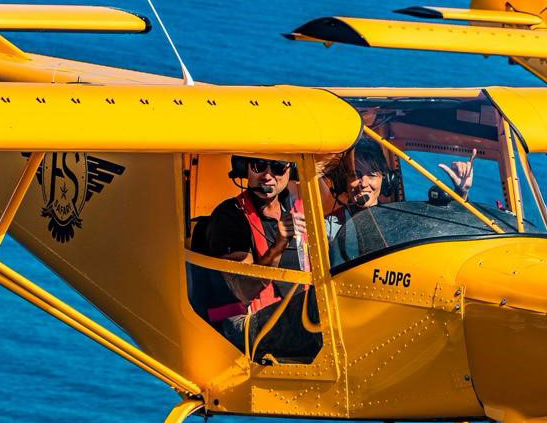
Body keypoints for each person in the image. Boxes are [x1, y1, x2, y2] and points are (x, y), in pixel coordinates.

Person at [204, 156, 320, 361]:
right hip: (245, 327)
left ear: (290, 171)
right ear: (245, 168)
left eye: (276, 167)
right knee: (318, 307)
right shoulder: (229, 216)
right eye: (258, 166)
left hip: (290, 320)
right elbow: (242, 290)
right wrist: (278, 246)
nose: (267, 176)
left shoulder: (296, 209)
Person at [321, 137, 476, 242]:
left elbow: (443, 230)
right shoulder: (328, 227)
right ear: (344, 182)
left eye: (372, 174)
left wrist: (461, 192)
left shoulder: (399, 218)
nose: (364, 183)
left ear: (386, 180)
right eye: (356, 175)